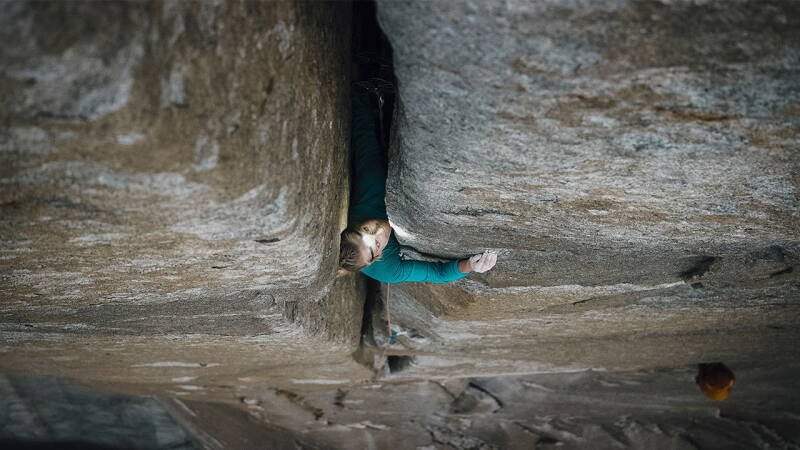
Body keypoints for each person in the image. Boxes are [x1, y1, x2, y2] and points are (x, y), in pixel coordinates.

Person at [339, 89, 497, 283]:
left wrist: (360, 93)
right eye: (377, 244)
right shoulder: (388, 270)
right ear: (376, 258)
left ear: (356, 223)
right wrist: (471, 266)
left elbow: (365, 142)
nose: (380, 231)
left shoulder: (369, 193)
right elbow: (437, 274)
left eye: (368, 229)